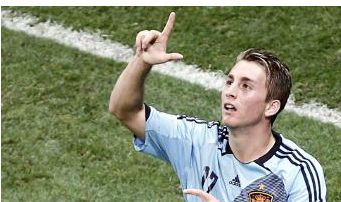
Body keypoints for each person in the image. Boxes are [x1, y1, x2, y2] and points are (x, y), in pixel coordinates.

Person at [109, 12, 327, 202]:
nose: (231, 91)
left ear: (271, 107)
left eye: (246, 86)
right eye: (230, 81)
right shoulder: (197, 141)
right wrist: (142, 61)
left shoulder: (297, 171)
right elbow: (125, 111)